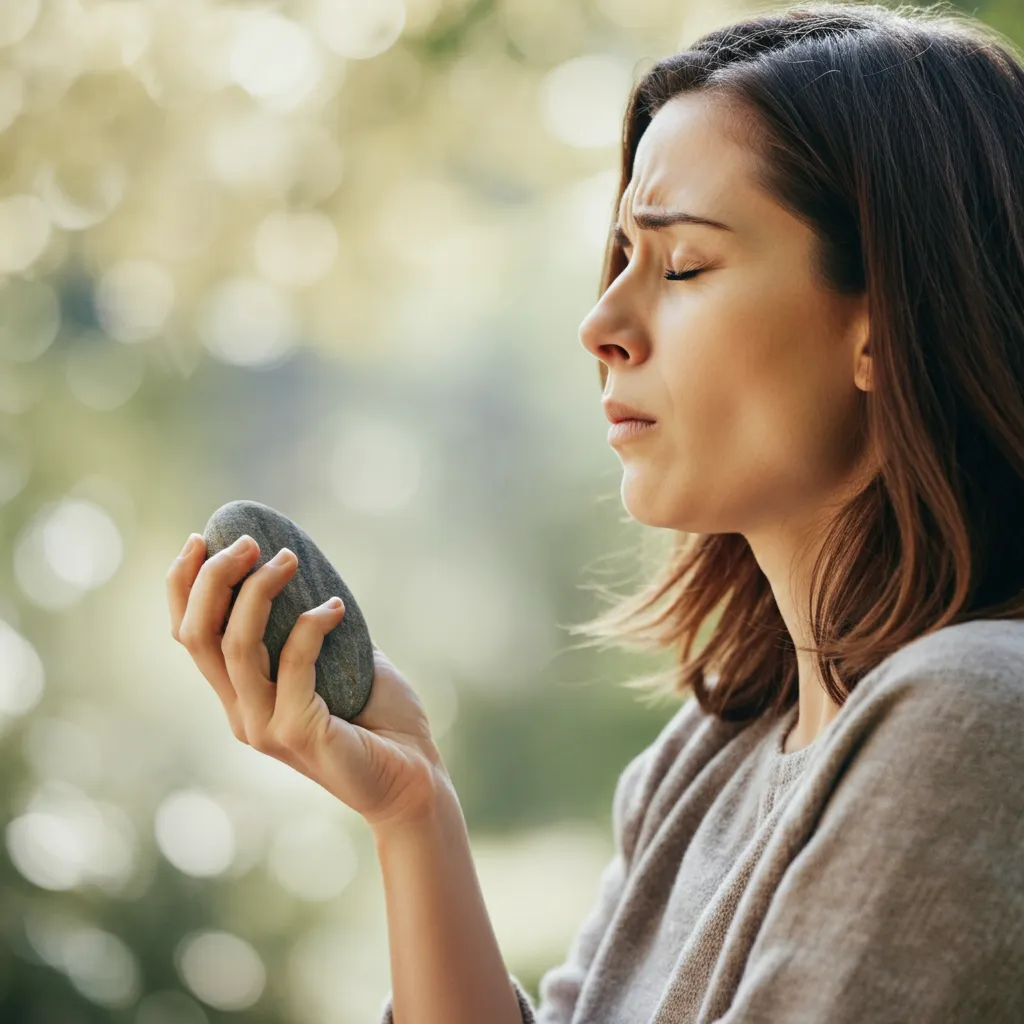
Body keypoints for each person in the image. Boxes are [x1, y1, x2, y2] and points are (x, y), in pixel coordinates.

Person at [166, 2, 1024, 1021]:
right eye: (619, 257)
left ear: (884, 317)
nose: (601, 322)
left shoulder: (969, 717)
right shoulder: (713, 751)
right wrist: (411, 810)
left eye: (684, 265)